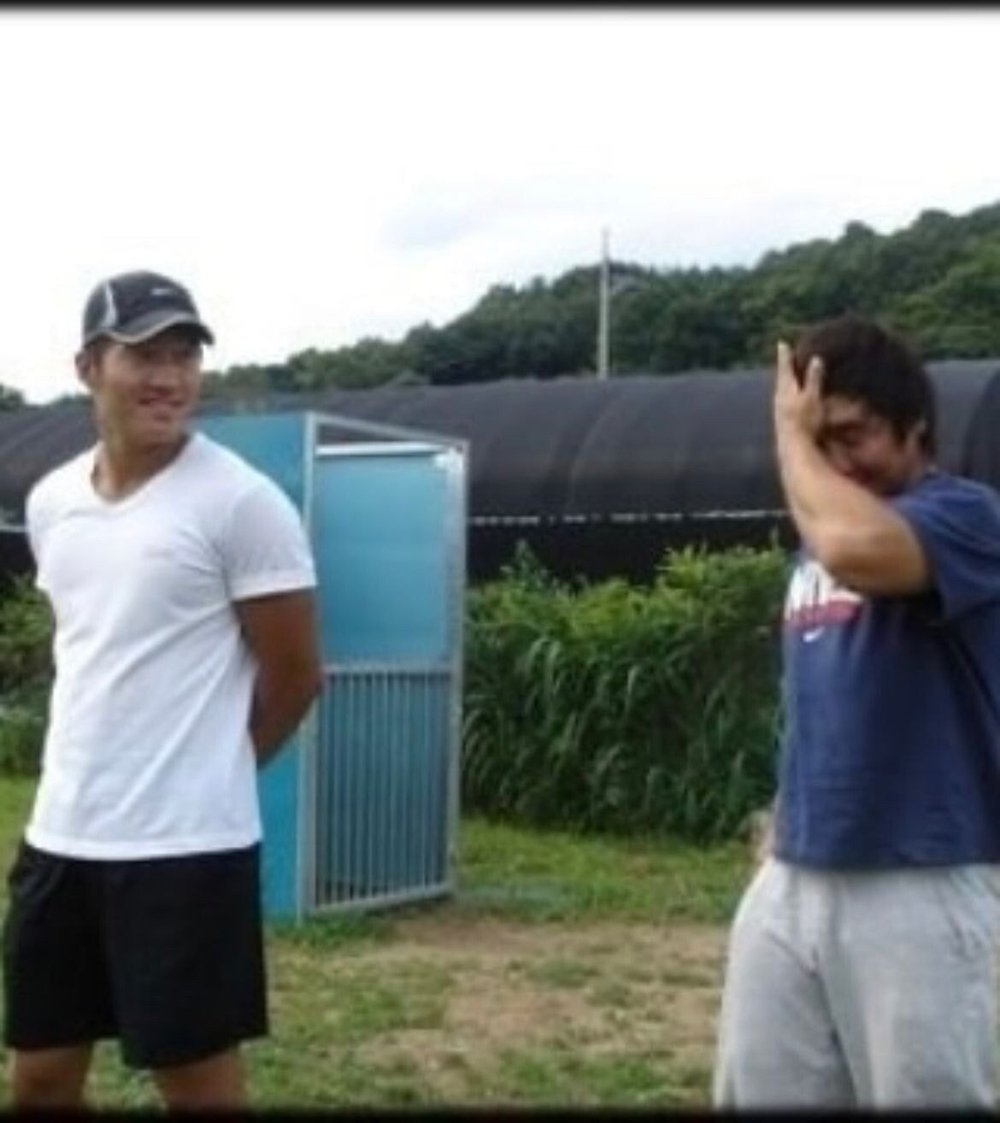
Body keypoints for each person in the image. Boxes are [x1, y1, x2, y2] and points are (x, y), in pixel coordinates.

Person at [1, 270, 323, 1110]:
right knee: (39, 1078)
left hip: (186, 851)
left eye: (184, 356)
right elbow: (94, 648)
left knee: (197, 1086)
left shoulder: (241, 503)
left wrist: (215, 768)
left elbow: (296, 676)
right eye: (144, 355)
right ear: (88, 367)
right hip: (62, 835)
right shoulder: (52, 501)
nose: (169, 377)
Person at [713, 314, 1000, 1108]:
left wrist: (789, 434)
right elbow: (826, 696)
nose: (833, 460)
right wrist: (783, 819)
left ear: (916, 429)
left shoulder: (968, 517)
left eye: (852, 435)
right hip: (795, 871)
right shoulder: (818, 544)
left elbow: (851, 546)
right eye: (818, 438)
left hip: (922, 873)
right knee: (759, 1087)